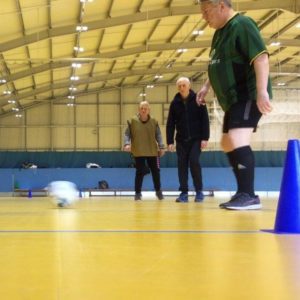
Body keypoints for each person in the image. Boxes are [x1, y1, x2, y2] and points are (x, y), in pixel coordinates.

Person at [197, 0, 273, 210]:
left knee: (237, 138)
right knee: (227, 143)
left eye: (206, 11)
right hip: (232, 101)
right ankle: (242, 191)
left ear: (221, 5)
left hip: (247, 94)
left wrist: (262, 92)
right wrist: (205, 87)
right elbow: (217, 64)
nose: (204, 17)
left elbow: (261, 58)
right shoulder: (219, 34)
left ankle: (249, 195)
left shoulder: (243, 24)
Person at [166, 77, 210, 203]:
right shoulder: (174, 103)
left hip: (196, 139)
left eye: (184, 85)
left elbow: (205, 120)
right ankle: (184, 193)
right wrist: (170, 141)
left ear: (189, 86)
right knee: (182, 166)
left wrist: (205, 138)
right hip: (181, 140)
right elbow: (170, 124)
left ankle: (199, 191)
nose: (181, 87)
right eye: (179, 86)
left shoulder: (198, 99)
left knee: (194, 161)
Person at [124, 100, 165, 201]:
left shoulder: (154, 121)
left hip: (152, 150)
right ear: (139, 109)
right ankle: (137, 193)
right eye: (141, 108)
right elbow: (127, 134)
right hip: (138, 151)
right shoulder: (132, 120)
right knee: (139, 172)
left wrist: (162, 146)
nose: (143, 110)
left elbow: (158, 135)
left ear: (149, 110)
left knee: (155, 172)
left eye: (145, 108)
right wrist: (126, 144)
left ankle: (158, 191)